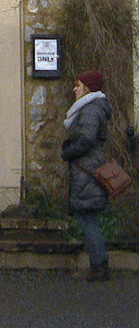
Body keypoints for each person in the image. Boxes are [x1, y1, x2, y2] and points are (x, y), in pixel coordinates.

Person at [61, 70, 112, 281]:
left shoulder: (91, 109)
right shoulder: (93, 107)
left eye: (78, 85)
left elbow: (87, 138)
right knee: (88, 217)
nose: (75, 89)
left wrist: (67, 153)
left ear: (88, 88)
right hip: (87, 170)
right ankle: (99, 265)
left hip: (87, 171)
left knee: (87, 217)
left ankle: (99, 267)